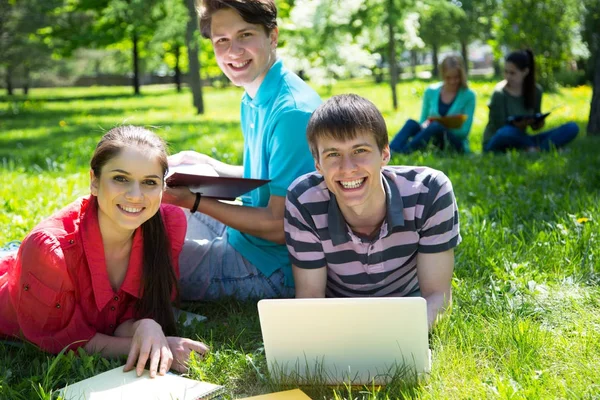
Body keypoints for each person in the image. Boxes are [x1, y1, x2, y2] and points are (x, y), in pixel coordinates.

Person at [0, 126, 208, 378]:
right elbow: (62, 340)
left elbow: (127, 316)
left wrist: (146, 324)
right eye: (120, 178)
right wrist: (151, 345)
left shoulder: (169, 224)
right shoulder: (50, 251)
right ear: (94, 181)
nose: (135, 195)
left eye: (149, 182)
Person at [163, 0, 322, 300]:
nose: (233, 51)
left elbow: (279, 226)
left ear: (272, 36)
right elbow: (270, 178)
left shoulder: (292, 113)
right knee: (173, 194)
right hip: (247, 237)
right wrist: (204, 162)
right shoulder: (256, 94)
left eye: (245, 35)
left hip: (272, 267)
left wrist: (194, 201)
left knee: (144, 265)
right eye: (222, 40)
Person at [284, 94, 460, 330]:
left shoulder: (429, 192)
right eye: (333, 154)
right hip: (338, 315)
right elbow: (311, 298)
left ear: (384, 154)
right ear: (317, 164)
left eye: (360, 150)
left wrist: (401, 340)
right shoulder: (303, 200)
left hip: (408, 309)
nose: (348, 169)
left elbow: (437, 296)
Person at [483, 49, 579, 152]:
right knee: (508, 132)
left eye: (512, 73)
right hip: (498, 140)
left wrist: (538, 123)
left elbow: (535, 126)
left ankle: (534, 149)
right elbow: (499, 128)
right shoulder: (499, 93)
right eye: (506, 72)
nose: (508, 77)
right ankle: (543, 148)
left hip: (523, 138)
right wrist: (519, 125)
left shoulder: (536, 91)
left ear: (525, 72)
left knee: (572, 128)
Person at [389, 55, 476, 154]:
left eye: (456, 77)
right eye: (448, 78)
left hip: (455, 143)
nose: (452, 82)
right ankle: (389, 152)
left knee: (435, 126)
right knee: (411, 123)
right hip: (432, 138)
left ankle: (404, 152)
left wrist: (441, 125)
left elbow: (464, 132)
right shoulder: (430, 92)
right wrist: (426, 125)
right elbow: (422, 121)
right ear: (442, 75)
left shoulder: (469, 95)